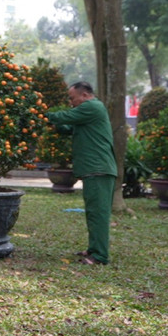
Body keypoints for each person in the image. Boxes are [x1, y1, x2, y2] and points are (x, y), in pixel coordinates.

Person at [46, 81, 117, 265]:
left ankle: (100, 256)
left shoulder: (93, 107)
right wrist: (53, 124)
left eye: (72, 98)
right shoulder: (87, 114)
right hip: (94, 170)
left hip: (99, 169)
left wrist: (43, 115)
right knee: (93, 212)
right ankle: (93, 249)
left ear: (84, 95)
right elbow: (67, 127)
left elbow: (65, 116)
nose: (71, 102)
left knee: (98, 213)